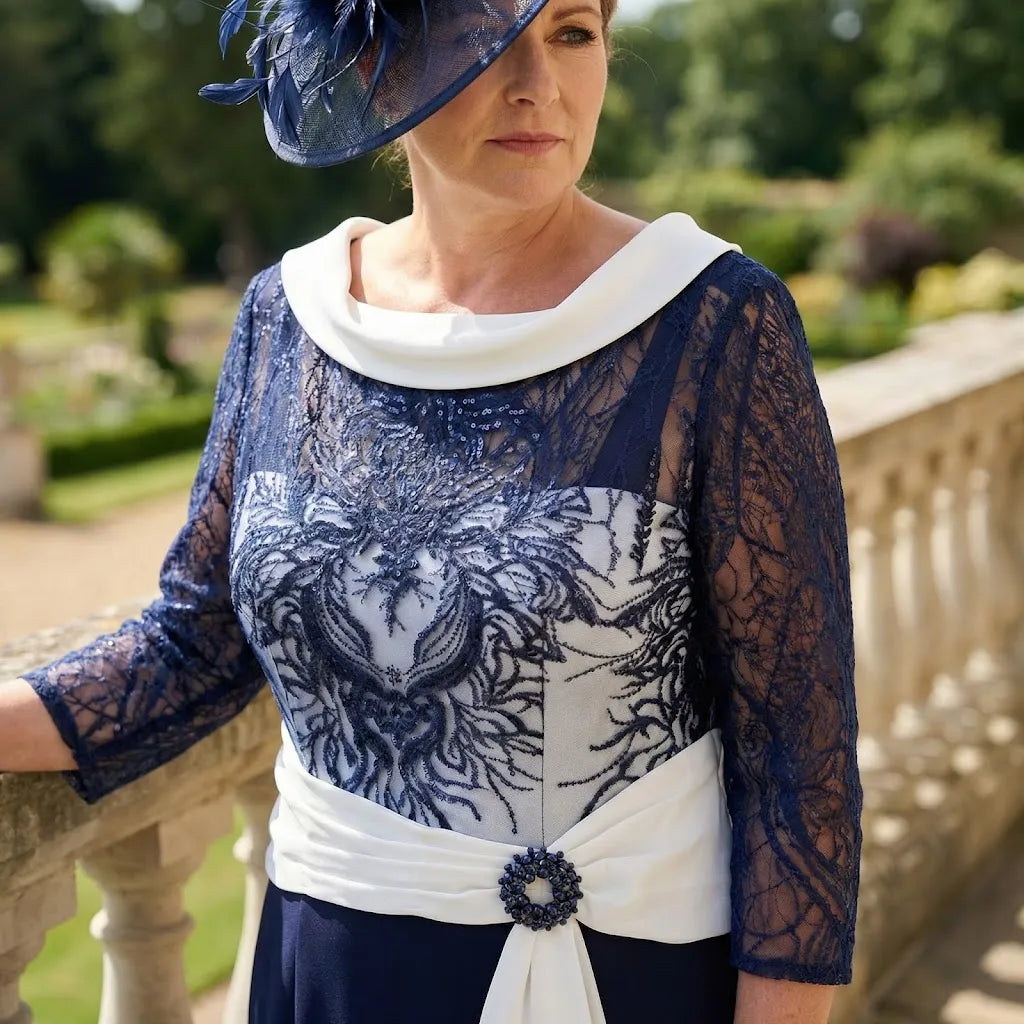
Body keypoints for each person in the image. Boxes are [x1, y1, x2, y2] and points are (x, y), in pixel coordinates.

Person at [0, 0, 863, 1020]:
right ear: (371, 61)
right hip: (324, 965)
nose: (537, 82)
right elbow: (195, 649)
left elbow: (796, 757)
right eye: (485, 35)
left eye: (573, 32)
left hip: (618, 977)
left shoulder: (713, 321)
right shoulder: (289, 316)